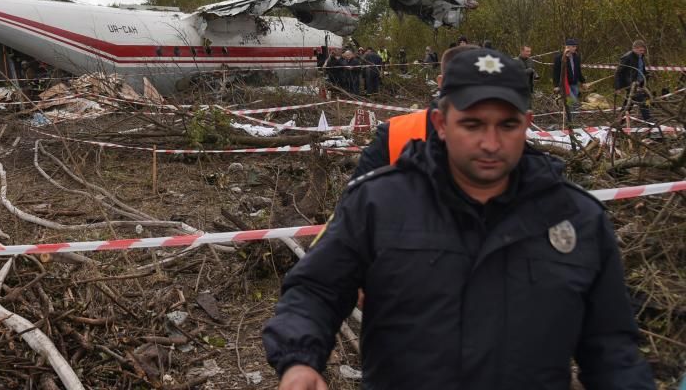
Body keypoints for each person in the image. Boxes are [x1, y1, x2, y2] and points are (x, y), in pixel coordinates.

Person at [263, 48, 655, 389]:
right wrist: (299, 361)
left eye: (507, 125)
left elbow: (611, 347)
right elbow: (316, 290)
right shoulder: (378, 203)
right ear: (440, 123)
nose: (490, 143)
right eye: (472, 124)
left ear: (528, 122)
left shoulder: (577, 218)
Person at [353, 43, 477, 178]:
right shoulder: (391, 133)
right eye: (465, 81)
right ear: (441, 82)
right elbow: (360, 195)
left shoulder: (394, 131)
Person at [615, 39, 651, 121]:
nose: (642, 52)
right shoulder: (627, 57)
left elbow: (641, 69)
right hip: (630, 84)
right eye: (640, 50)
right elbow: (618, 73)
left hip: (640, 84)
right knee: (642, 100)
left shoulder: (641, 56)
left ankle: (619, 121)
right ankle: (649, 122)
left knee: (629, 104)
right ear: (634, 48)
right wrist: (618, 87)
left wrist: (647, 74)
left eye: (643, 50)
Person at [553, 38, 585, 122]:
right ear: (567, 47)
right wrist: (556, 85)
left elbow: (578, 70)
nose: (575, 48)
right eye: (573, 46)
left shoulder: (576, 57)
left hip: (574, 84)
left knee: (572, 105)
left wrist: (583, 81)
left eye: (575, 46)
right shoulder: (559, 58)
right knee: (573, 102)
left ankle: (571, 122)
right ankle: (570, 122)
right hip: (565, 85)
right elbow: (555, 72)